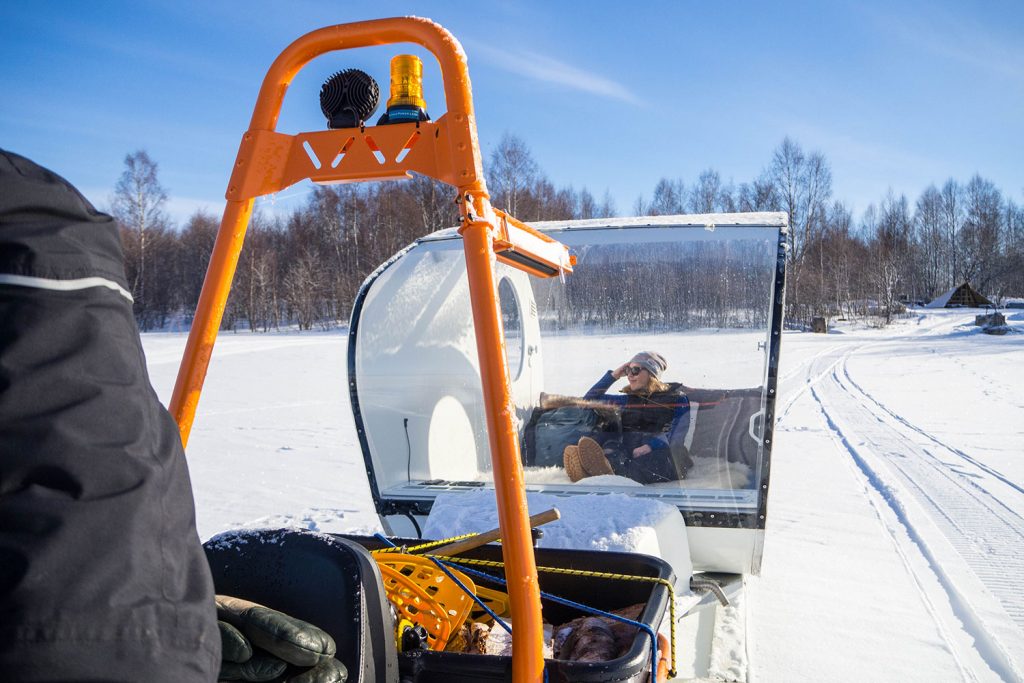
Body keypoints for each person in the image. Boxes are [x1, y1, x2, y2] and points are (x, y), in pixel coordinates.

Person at [563, 351, 692, 484]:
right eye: (627, 370)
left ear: (651, 373)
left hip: (664, 455)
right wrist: (614, 375)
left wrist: (650, 446)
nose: (629, 375)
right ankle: (602, 467)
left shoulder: (677, 398)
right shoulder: (627, 400)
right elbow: (588, 401)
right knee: (614, 447)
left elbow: (677, 436)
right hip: (631, 455)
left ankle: (596, 472)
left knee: (648, 463)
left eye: (635, 370)